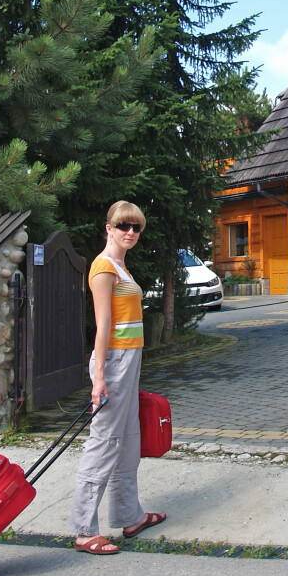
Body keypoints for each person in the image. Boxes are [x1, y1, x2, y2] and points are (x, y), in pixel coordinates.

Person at [70, 200, 166, 555]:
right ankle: (83, 531)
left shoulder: (121, 267)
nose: (130, 232)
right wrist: (98, 377)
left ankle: (130, 516)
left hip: (130, 360)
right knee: (105, 440)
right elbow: (103, 325)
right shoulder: (104, 268)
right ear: (108, 227)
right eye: (123, 225)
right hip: (113, 362)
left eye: (136, 227)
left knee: (128, 440)